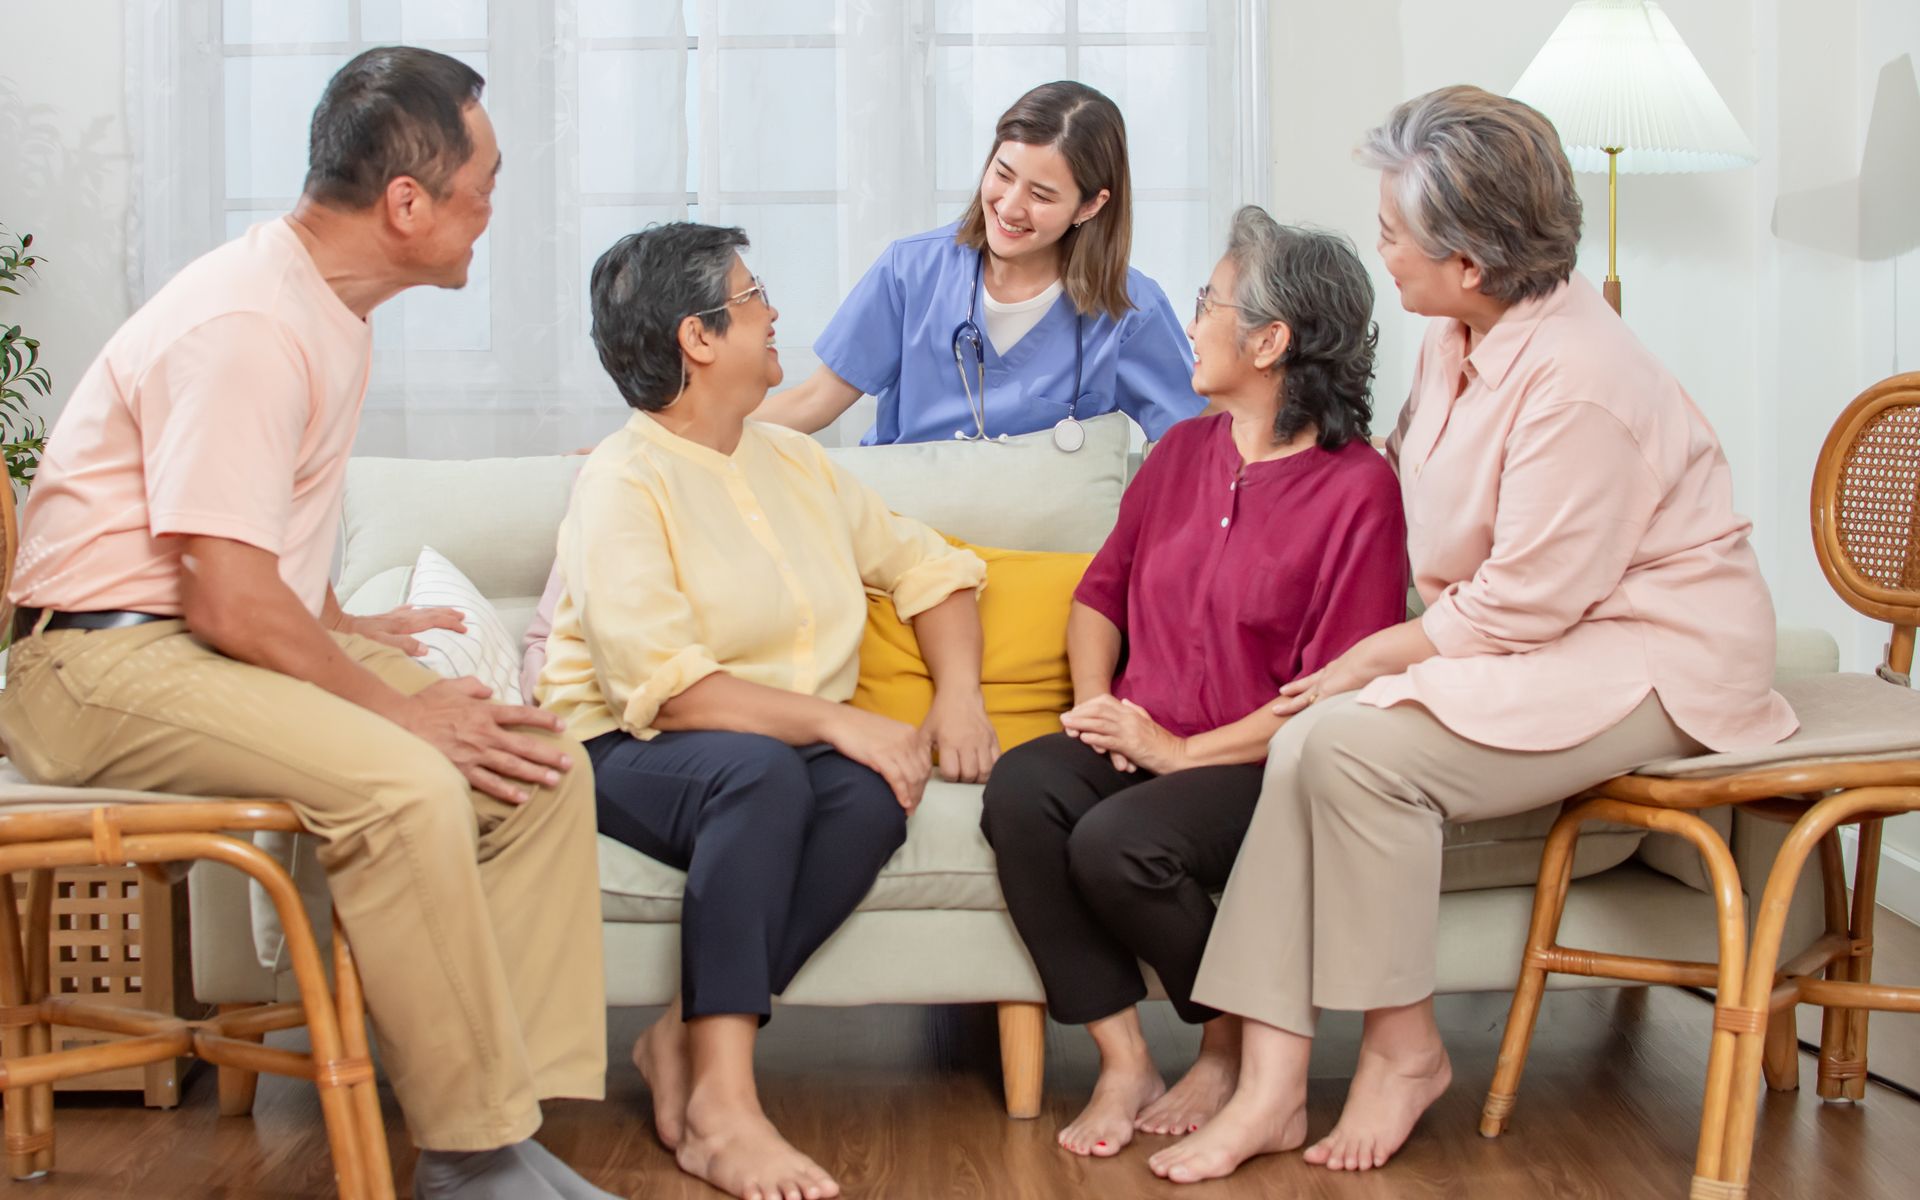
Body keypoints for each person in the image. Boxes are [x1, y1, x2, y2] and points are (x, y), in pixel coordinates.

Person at [1146, 86, 1799, 1185]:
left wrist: (1364, 659)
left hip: (1648, 649)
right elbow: (1406, 485)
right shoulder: (1454, 335)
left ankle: (1403, 1051)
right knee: (1310, 745)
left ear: (1474, 263)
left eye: (1399, 233)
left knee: (1351, 746)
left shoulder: (1584, 383)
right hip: (1540, 631)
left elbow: (1522, 607)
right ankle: (1270, 1083)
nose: (1384, 250)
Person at [0, 49, 615, 1200]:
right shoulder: (246, 324)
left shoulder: (330, 308)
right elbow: (229, 594)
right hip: (93, 664)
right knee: (405, 778)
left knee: (537, 761)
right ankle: (471, 1157)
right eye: (483, 186)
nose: (491, 213)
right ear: (406, 204)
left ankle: (505, 1116)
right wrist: (393, 706)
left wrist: (346, 622)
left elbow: (253, 545)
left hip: (186, 637)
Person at [540, 223, 995, 1200]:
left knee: (877, 795)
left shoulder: (794, 462)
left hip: (769, 747)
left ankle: (683, 1040)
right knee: (766, 772)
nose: (775, 311)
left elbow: (932, 567)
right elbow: (664, 686)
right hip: (626, 746)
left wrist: (958, 697)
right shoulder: (622, 481)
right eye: (754, 298)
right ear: (699, 338)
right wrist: (839, 722)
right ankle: (725, 1110)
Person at [980, 209, 1408, 1160]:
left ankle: (1226, 1046)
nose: (1191, 322)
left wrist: (1178, 754)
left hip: (1261, 760)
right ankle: (1125, 1058)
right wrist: (1101, 709)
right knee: (1024, 787)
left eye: (1209, 302)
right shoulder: (1179, 454)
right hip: (1144, 735)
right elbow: (1099, 597)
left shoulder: (1357, 489)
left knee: (1118, 843)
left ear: (1270, 340)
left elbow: (1331, 694)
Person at [753, 80, 1204, 446]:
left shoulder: (1129, 310)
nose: (1009, 207)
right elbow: (813, 401)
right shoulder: (910, 271)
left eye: (1041, 195)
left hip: (1042, 547)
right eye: (1003, 175)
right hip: (905, 533)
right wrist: (687, 435)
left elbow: (1195, 442)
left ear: (1089, 206)